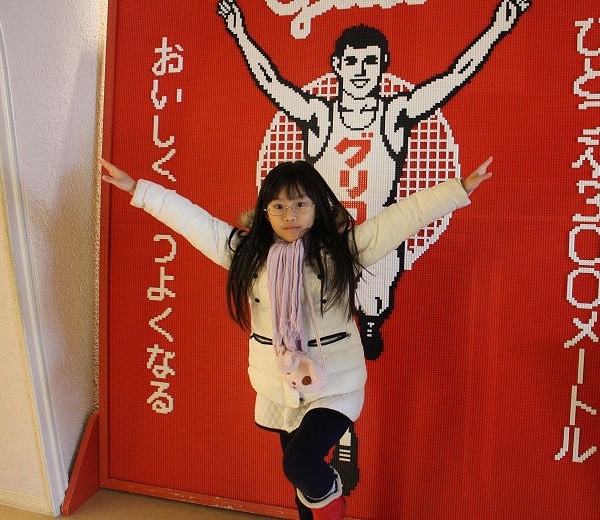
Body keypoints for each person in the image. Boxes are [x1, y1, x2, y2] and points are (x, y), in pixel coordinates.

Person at [99, 156, 493, 520]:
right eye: (279, 206)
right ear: (265, 211)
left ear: (317, 207)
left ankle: (333, 500)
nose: (290, 215)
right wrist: (139, 189)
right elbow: (194, 222)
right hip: (281, 385)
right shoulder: (247, 255)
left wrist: (457, 189)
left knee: (300, 463)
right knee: (301, 483)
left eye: (301, 204)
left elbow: (402, 218)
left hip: (335, 383)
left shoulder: (342, 250)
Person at [217, 0, 529, 359]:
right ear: (338, 65)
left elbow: (453, 77)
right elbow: (271, 82)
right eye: (352, 61)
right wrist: (239, 32)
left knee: (372, 313)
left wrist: (497, 30)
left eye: (370, 62)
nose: (361, 71)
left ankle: (367, 326)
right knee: (310, 311)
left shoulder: (394, 114)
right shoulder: (319, 116)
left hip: (373, 244)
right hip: (323, 244)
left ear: (383, 64)